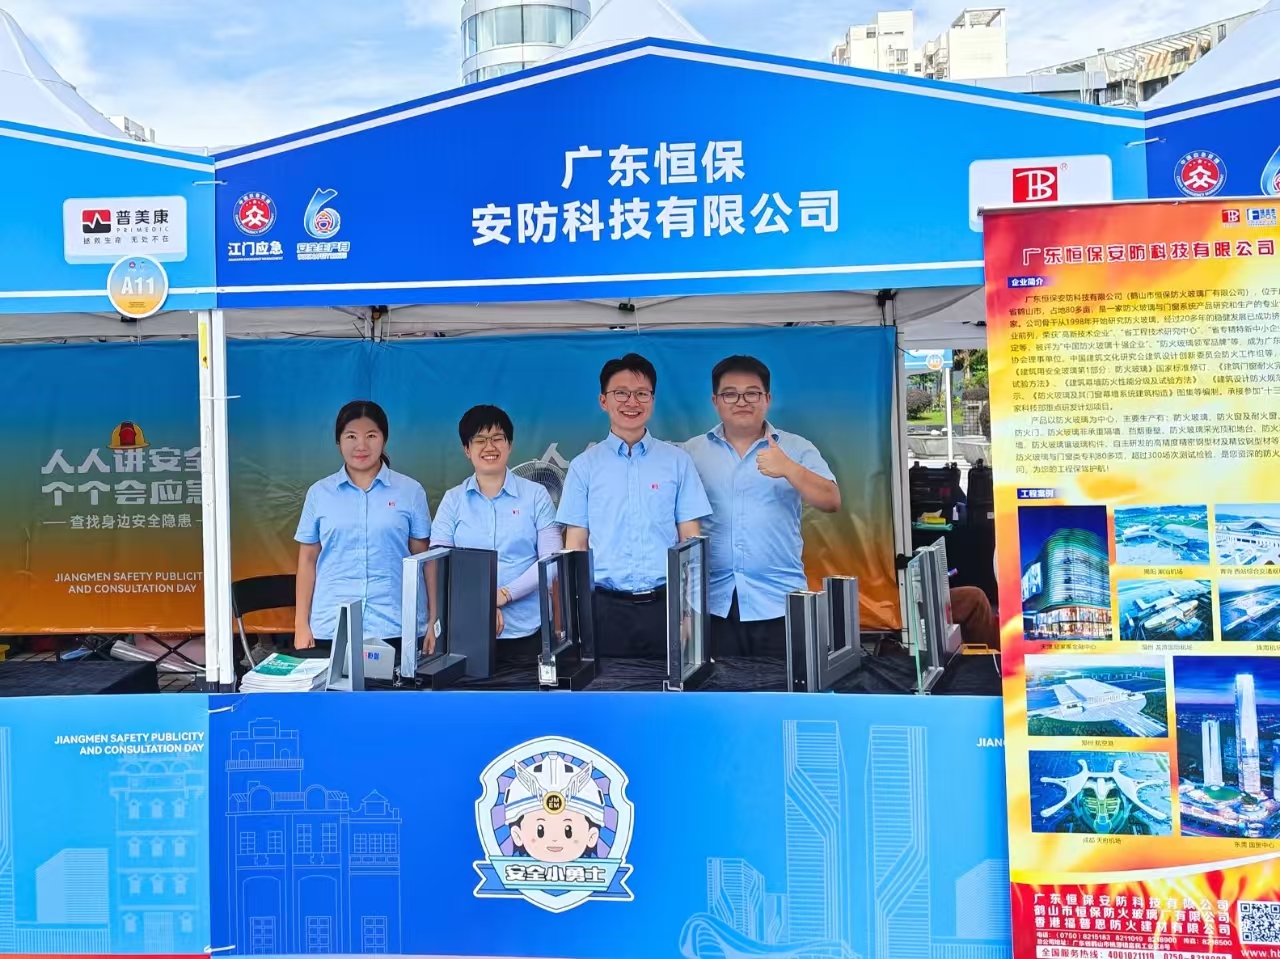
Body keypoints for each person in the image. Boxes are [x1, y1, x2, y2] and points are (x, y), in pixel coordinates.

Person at [683, 355, 841, 659]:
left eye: (752, 393)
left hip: (779, 600)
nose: (742, 401)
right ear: (715, 401)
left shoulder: (795, 447)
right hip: (712, 602)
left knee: (781, 687)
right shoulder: (691, 452)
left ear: (767, 399)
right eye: (730, 394)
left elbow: (831, 500)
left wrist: (789, 468)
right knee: (718, 687)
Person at [557, 353, 712, 659]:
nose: (632, 402)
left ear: (652, 400)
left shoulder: (677, 462)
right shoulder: (584, 467)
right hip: (603, 609)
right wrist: (577, 617)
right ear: (604, 401)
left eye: (642, 393)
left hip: (664, 607)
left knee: (667, 688)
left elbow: (690, 543)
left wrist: (688, 613)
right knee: (605, 688)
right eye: (621, 393)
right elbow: (576, 547)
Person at [294, 400, 431, 654]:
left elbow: (424, 560)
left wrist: (433, 620)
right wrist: (301, 624)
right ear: (338, 442)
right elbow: (307, 560)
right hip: (332, 626)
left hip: (396, 625)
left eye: (371, 436)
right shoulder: (319, 494)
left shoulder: (410, 491)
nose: (361, 446)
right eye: (351, 436)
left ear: (384, 439)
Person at [429, 405, 562, 660]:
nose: (489, 447)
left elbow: (551, 562)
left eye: (497, 438)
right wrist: (483, 603)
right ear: (467, 449)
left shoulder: (536, 496)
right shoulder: (452, 500)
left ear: (509, 445)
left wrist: (503, 595)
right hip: (468, 630)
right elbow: (440, 564)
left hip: (529, 631)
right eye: (480, 440)